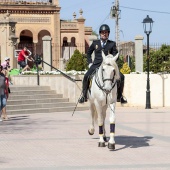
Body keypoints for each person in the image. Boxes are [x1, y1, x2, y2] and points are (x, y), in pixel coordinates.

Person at [78, 24, 127, 104]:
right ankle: (84, 96)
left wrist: (111, 60)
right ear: (100, 33)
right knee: (86, 76)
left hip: (107, 66)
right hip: (96, 65)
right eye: (103, 32)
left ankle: (120, 96)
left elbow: (116, 55)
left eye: (106, 32)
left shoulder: (112, 44)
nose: (104, 34)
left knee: (121, 76)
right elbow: (88, 53)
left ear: (108, 34)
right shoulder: (95, 43)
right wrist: (90, 62)